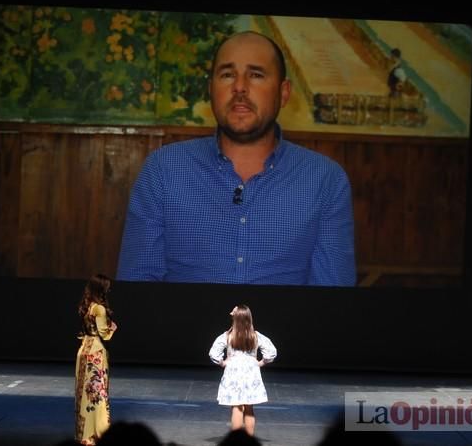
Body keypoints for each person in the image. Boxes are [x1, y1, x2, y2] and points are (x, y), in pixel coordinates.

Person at [117, 31, 356, 286]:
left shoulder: (325, 180)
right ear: (211, 89)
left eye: (256, 75)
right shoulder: (164, 171)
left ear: (283, 93)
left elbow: (331, 300)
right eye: (227, 74)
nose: (240, 87)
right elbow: (136, 290)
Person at [209, 304, 277, 436]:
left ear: (236, 318)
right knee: (249, 406)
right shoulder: (255, 335)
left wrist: (223, 363)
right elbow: (271, 352)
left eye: (233, 313)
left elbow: (213, 353)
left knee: (237, 406)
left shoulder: (228, 335)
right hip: (251, 372)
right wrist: (261, 363)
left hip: (233, 371)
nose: (231, 313)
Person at [75, 273, 118, 446]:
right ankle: (100, 432)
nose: (109, 289)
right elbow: (105, 334)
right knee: (98, 394)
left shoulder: (87, 306)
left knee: (85, 395)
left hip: (84, 350)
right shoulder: (99, 308)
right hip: (96, 354)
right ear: (101, 288)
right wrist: (113, 327)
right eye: (107, 286)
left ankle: (85, 434)